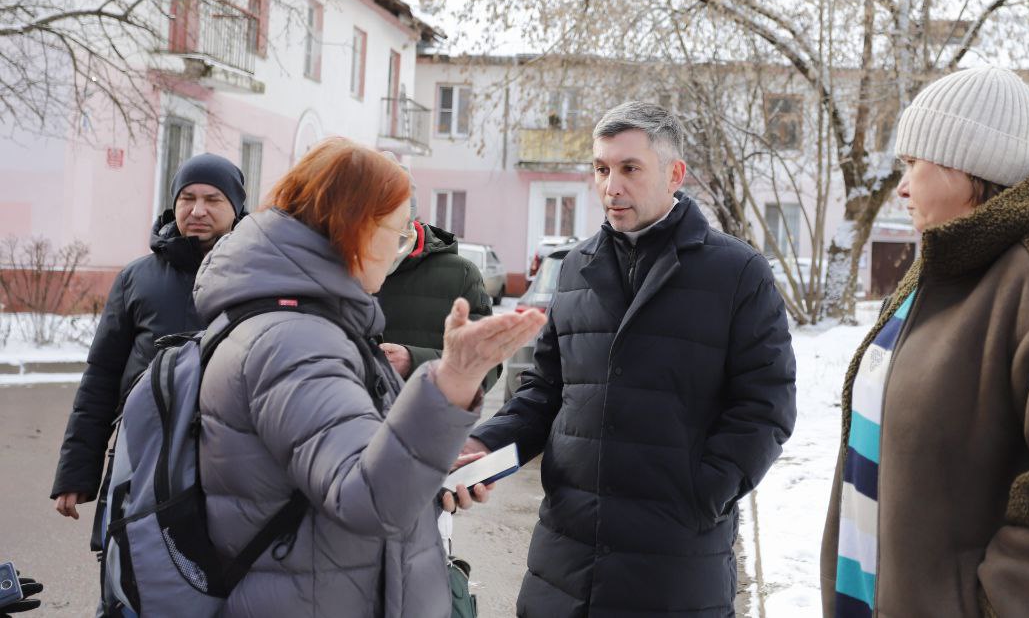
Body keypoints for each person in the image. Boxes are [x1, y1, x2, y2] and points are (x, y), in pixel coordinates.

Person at [820, 67, 1029, 617]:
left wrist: (997, 607)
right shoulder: (940, 269)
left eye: (913, 164)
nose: (901, 186)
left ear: (967, 168)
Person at [461, 101, 798, 617]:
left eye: (629, 168)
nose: (611, 185)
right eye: (601, 169)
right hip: (565, 563)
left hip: (675, 566)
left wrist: (705, 494)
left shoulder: (738, 272)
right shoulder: (577, 268)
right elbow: (546, 393)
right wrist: (484, 447)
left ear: (674, 174)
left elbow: (766, 404)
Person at [193, 137, 545, 617]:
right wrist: (454, 380)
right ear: (355, 228)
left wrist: (431, 472)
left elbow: (338, 464)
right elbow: (369, 501)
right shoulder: (295, 341)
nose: (400, 248)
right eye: (397, 232)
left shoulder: (304, 320)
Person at [51, 153, 247, 521]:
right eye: (187, 198)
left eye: (213, 199)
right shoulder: (137, 278)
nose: (198, 210)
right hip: (142, 456)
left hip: (230, 461)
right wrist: (76, 471)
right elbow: (101, 376)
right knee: (132, 564)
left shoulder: (260, 274)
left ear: (236, 207)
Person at [376, 191, 499, 391]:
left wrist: (413, 361)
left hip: (423, 417)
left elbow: (485, 368)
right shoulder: (334, 267)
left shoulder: (461, 274)